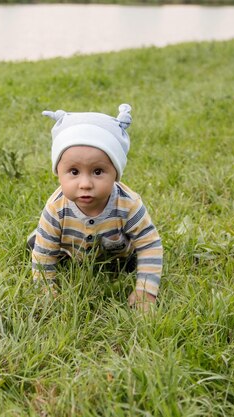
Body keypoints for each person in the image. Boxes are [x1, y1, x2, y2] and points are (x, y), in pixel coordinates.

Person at [28, 104, 163, 311]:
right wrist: (46, 291)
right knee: (42, 244)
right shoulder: (56, 208)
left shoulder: (129, 204)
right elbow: (44, 255)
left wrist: (145, 291)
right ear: (58, 172)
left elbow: (149, 244)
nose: (85, 184)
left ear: (116, 173)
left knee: (134, 256)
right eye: (73, 172)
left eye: (98, 171)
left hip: (115, 257)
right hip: (70, 251)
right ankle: (41, 236)